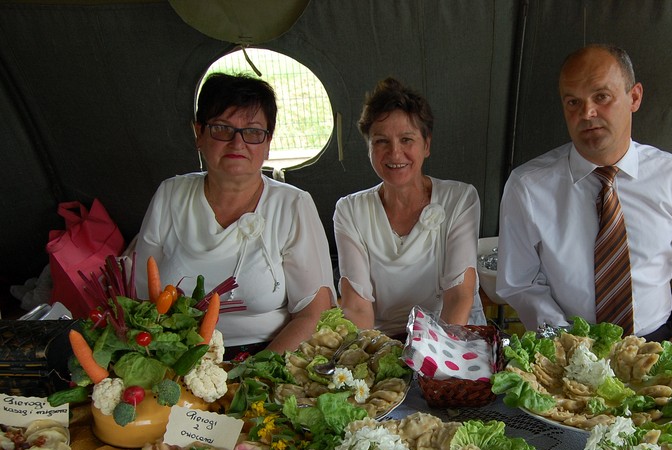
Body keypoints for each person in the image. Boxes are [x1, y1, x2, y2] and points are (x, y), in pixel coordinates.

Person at [496, 44, 672, 344]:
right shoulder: (529, 186)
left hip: (655, 343)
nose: (587, 113)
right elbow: (519, 281)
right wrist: (565, 342)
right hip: (565, 342)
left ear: (634, 97)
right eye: (573, 102)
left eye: (601, 97)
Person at [134, 73, 335, 355]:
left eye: (253, 132)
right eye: (222, 128)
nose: (237, 143)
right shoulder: (170, 195)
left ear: (268, 143)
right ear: (199, 134)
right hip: (176, 355)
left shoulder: (292, 205)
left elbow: (313, 315)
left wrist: (257, 371)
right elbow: (142, 300)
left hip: (270, 355)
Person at [334, 77, 485, 337]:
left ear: (426, 145)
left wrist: (433, 356)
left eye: (406, 139)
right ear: (368, 147)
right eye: (381, 141)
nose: (395, 153)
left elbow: (458, 296)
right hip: (385, 340)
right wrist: (369, 355)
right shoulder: (350, 211)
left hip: (452, 336)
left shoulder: (460, 199)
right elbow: (357, 307)